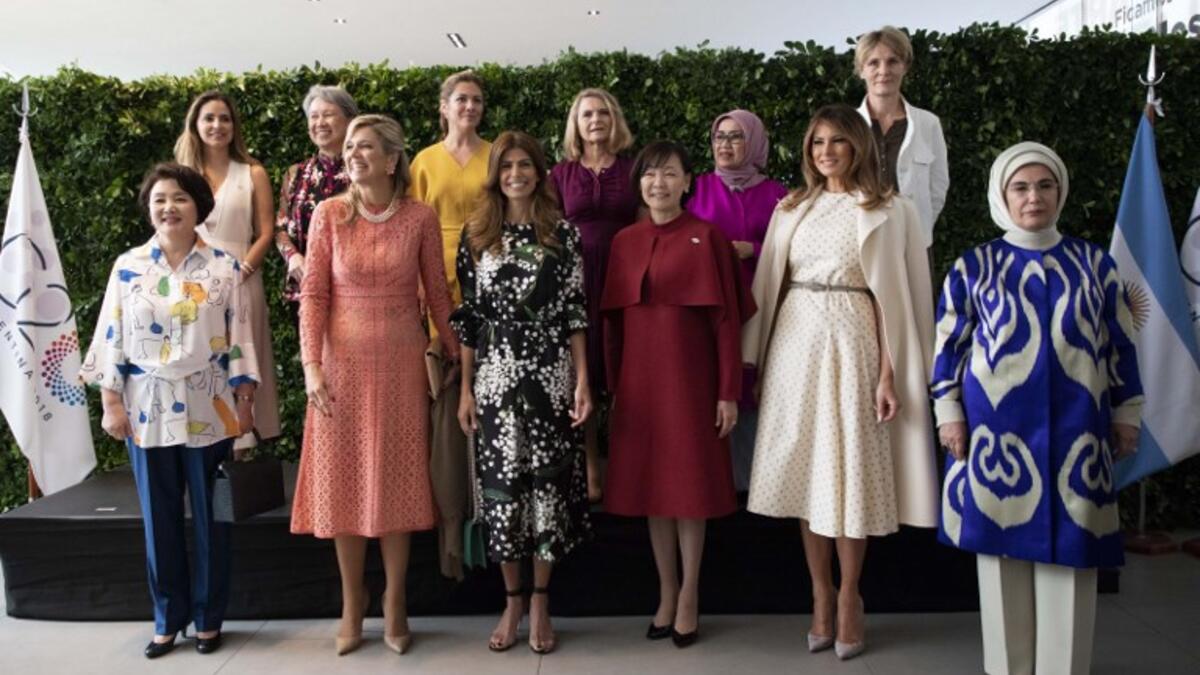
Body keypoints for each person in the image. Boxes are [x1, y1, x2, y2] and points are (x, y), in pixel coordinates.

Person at [932, 142, 1142, 675]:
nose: (1034, 197)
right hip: (997, 436)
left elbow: (1120, 345)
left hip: (1079, 434)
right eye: (1021, 187)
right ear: (1002, 195)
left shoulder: (1096, 263)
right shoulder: (973, 265)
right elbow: (948, 348)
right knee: (1001, 562)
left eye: (1044, 186)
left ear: (1060, 192)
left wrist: (1127, 414)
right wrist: (948, 413)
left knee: (1075, 558)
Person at [742, 104, 937, 660]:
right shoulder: (792, 208)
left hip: (856, 342)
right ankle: (819, 593)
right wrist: (752, 360)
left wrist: (890, 372)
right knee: (808, 471)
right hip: (796, 343)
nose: (826, 151)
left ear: (858, 147)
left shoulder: (891, 209)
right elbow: (769, 285)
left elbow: (895, 298)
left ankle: (851, 595)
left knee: (848, 471)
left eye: (837, 142)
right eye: (817, 142)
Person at [290, 114, 460, 656]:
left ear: (392, 159)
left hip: (401, 364)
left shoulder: (420, 217)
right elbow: (313, 295)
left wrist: (459, 355)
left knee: (396, 479)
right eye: (349, 147)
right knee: (343, 482)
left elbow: (437, 295)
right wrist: (311, 365)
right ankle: (351, 600)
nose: (354, 154)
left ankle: (395, 601)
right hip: (339, 366)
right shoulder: (328, 215)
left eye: (366, 147)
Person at [80, 162, 259, 659]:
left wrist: (246, 402)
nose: (168, 207)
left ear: (199, 205)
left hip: (212, 403)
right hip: (146, 408)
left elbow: (241, 337)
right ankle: (166, 619)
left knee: (212, 518)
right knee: (158, 521)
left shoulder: (225, 267)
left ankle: (208, 618)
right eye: (159, 199)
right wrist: (110, 401)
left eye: (179, 198)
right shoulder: (128, 266)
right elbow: (110, 334)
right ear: (149, 208)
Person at [601, 141, 754, 648]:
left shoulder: (708, 238)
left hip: (693, 383)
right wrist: (614, 387)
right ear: (639, 183)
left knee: (689, 493)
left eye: (669, 174)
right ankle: (665, 592)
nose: (658, 184)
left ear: (689, 182)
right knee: (653, 494)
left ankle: (690, 594)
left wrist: (728, 391)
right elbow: (612, 328)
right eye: (649, 175)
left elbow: (728, 323)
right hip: (639, 386)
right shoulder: (624, 241)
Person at [452, 131, 592, 655]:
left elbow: (576, 310)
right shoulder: (475, 234)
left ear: (539, 171)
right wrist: (465, 389)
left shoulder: (564, 234)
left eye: (525, 164)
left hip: (551, 374)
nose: (516, 173)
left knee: (548, 491)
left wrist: (581, 379)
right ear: (496, 174)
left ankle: (540, 600)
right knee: (504, 492)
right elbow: (469, 319)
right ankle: (511, 599)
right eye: (507, 165)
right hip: (495, 377)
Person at [408, 71, 492, 579]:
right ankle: (443, 502)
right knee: (443, 392)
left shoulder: (494, 152)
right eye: (461, 99)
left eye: (477, 100)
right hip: (433, 275)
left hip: (486, 264)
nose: (469, 107)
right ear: (444, 107)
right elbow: (413, 219)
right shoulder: (423, 160)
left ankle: (481, 496)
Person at [686, 108, 788, 492]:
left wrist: (755, 249)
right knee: (714, 388)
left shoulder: (778, 194)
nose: (725, 145)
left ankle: (758, 487)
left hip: (761, 305)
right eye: (719, 137)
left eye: (735, 137)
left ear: (754, 142)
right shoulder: (697, 188)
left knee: (756, 389)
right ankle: (714, 484)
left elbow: (796, 249)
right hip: (710, 307)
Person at [174, 90, 280, 448]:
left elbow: (266, 231)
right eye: (209, 118)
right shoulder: (182, 178)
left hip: (242, 279)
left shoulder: (253, 173)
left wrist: (243, 269)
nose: (217, 125)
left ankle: (243, 443)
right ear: (196, 125)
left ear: (235, 126)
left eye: (224, 118)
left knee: (241, 363)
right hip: (193, 286)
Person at [549, 87, 639, 502]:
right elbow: (547, 230)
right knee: (582, 373)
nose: (596, 120)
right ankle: (589, 465)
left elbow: (644, 224)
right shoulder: (560, 174)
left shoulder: (633, 169)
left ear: (614, 119)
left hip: (624, 279)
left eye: (603, 112)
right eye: (587, 114)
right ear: (576, 124)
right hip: (576, 281)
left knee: (623, 369)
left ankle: (623, 461)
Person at [854, 26, 949, 253]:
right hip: (859, 243)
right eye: (873, 63)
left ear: (905, 66)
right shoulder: (848, 124)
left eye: (893, 61)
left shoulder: (928, 123)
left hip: (914, 244)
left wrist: (918, 228)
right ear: (861, 70)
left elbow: (938, 186)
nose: (883, 70)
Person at [274, 85, 358, 315]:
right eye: (314, 116)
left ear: (350, 121)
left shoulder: (365, 169)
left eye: (328, 115)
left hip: (356, 289)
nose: (320, 122)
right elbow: (280, 228)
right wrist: (293, 258)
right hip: (305, 288)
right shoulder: (295, 174)